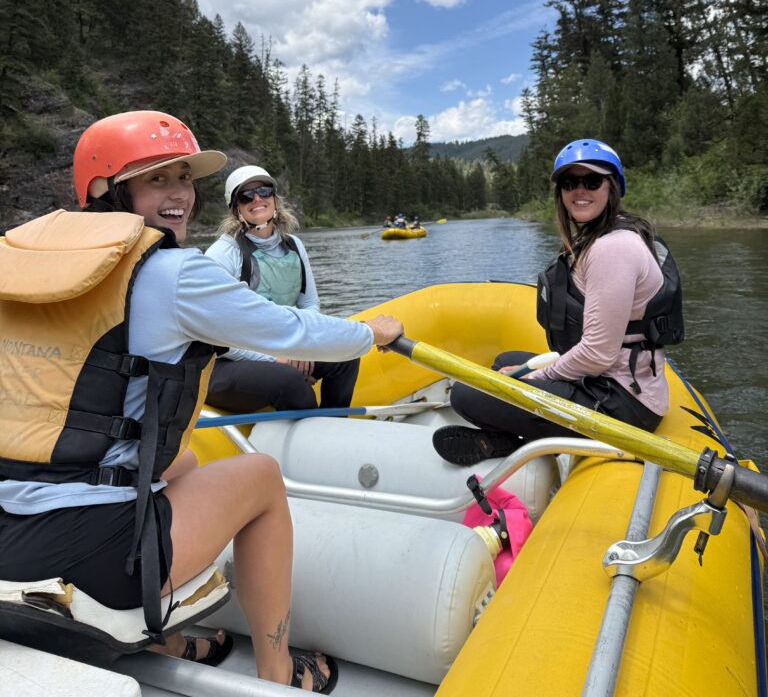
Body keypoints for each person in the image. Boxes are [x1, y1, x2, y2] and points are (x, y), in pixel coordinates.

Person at [0, 110, 403, 692]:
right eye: (157, 179)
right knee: (261, 477)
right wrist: (371, 333)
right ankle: (278, 671)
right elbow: (291, 330)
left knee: (182, 461)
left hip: (9, 530)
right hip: (94, 556)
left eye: (184, 178)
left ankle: (162, 639)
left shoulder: (20, 266)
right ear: (109, 191)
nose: (180, 195)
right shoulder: (171, 273)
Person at [432, 138, 683, 466]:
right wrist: (528, 372)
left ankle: (506, 441)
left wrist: (536, 376)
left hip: (623, 407)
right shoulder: (606, 236)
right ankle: (514, 439)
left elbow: (597, 353)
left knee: (466, 395)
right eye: (569, 183)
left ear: (612, 187)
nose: (580, 191)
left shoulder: (613, 248)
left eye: (592, 181)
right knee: (507, 360)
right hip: (611, 382)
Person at [204, 166, 359, 413]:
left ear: (275, 199)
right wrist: (277, 359)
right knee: (290, 380)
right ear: (235, 208)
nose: (257, 199)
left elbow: (308, 304)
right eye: (246, 196)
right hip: (223, 364)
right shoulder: (222, 254)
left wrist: (303, 347)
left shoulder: (294, 245)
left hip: (283, 348)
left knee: (346, 356)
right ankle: (309, 431)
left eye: (264, 191)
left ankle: (334, 423)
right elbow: (217, 337)